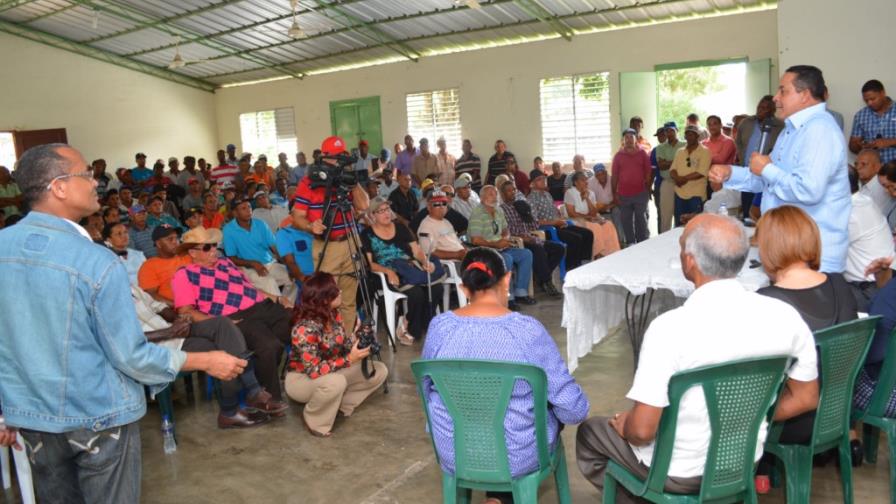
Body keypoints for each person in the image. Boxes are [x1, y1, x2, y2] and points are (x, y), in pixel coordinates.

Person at [0, 144, 245, 503]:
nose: (95, 181)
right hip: (98, 415)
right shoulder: (95, 261)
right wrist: (205, 360)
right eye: (86, 174)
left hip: (35, 417)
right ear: (59, 187)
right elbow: (130, 356)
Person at [576, 214, 819, 502]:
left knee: (591, 434)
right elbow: (805, 398)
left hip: (677, 473)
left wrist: (625, 424)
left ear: (689, 262)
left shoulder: (669, 328)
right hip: (742, 464)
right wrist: (743, 419)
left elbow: (642, 431)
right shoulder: (785, 316)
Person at [421, 247, 589, 500]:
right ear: (507, 279)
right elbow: (573, 409)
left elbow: (425, 389)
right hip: (516, 456)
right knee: (546, 409)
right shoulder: (526, 331)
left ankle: (496, 498)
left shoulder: (439, 328)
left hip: (455, 450)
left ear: (464, 287)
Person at [710, 65, 851, 273]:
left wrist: (767, 168)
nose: (776, 98)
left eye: (783, 91)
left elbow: (808, 190)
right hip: (788, 252)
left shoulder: (820, 130)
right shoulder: (792, 130)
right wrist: (730, 173)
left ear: (804, 95)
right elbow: (765, 179)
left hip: (814, 259)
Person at [753, 205, 858, 480]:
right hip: (839, 410)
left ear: (769, 247)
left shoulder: (766, 300)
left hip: (793, 419)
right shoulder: (840, 286)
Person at [173, 226, 293, 414]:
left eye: (213, 246)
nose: (214, 250)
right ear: (192, 253)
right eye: (206, 248)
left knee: (299, 324)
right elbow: (186, 312)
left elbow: (250, 289)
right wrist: (220, 323)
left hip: (262, 307)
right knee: (269, 346)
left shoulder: (226, 263)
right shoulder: (184, 274)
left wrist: (276, 297)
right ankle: (268, 397)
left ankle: (312, 377)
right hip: (234, 317)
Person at [131, 284, 279, 428]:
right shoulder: (110, 301)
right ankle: (232, 409)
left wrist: (177, 320)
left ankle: (252, 394)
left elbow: (158, 306)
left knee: (222, 323)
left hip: (173, 332)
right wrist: (169, 332)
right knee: (224, 349)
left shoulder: (131, 287)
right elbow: (126, 342)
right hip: (160, 347)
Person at [285, 272, 388, 437]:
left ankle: (340, 406)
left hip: (331, 370)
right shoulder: (304, 328)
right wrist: (350, 359)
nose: (340, 291)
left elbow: (341, 347)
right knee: (336, 382)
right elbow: (314, 370)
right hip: (301, 379)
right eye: (335, 290)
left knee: (379, 370)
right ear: (324, 299)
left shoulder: (333, 314)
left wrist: (357, 338)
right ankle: (315, 421)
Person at [292, 136, 370, 332]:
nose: (336, 162)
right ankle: (328, 343)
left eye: (340, 157)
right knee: (326, 300)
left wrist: (352, 181)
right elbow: (297, 217)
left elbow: (364, 205)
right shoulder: (309, 181)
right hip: (326, 246)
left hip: (350, 242)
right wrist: (310, 226)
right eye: (333, 158)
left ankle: (348, 340)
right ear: (323, 157)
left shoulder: (347, 179)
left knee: (349, 301)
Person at [361, 196, 444, 344]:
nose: (386, 213)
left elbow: (417, 251)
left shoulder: (400, 227)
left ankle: (412, 322)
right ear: (372, 215)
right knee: (417, 293)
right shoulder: (367, 234)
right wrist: (388, 271)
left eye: (387, 209)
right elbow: (370, 264)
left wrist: (425, 261)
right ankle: (411, 327)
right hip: (385, 273)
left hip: (409, 268)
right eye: (380, 211)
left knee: (436, 287)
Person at [468, 185, 536, 311]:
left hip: (501, 247)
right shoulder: (477, 213)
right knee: (507, 259)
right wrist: (496, 244)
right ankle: (507, 298)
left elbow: (506, 229)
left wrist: (505, 238)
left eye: (495, 194)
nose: (494, 197)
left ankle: (521, 292)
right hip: (485, 250)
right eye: (490, 194)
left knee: (526, 254)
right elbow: (475, 240)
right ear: (482, 198)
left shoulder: (498, 210)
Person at [499, 181, 563, 296]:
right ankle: (547, 282)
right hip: (517, 241)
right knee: (539, 250)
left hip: (531, 237)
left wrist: (527, 213)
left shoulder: (520, 205)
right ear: (503, 194)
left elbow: (534, 226)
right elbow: (507, 230)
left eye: (514, 189)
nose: (513, 192)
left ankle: (542, 277)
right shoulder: (502, 209)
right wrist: (522, 237)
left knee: (559, 248)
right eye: (509, 191)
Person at [223, 197, 294, 299]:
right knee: (269, 282)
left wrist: (288, 264)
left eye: (249, 207)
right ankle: (280, 310)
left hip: (269, 264)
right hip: (248, 268)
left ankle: (288, 305)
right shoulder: (229, 230)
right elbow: (232, 258)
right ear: (235, 213)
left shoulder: (260, 224)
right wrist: (252, 263)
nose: (248, 210)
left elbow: (274, 247)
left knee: (293, 276)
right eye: (243, 208)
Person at [844, 168, 894, 311]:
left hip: (867, 289)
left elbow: (818, 251)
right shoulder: (864, 201)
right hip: (879, 284)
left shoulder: (852, 212)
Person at [527, 169, 593, 269]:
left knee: (587, 233)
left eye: (544, 178)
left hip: (557, 225)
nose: (543, 180)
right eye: (539, 179)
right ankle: (571, 268)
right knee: (575, 239)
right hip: (546, 230)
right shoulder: (531, 199)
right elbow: (534, 222)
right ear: (532, 184)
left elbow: (556, 213)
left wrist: (561, 220)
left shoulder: (547, 195)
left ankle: (583, 264)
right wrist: (554, 222)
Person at [733, 95, 785, 219]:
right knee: (747, 208)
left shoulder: (780, 126)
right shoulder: (746, 123)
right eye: (760, 107)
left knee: (762, 211)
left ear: (773, 110)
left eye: (766, 108)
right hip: (747, 173)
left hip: (766, 176)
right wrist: (742, 157)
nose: (762, 110)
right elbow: (738, 141)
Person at [564, 172, 621, 259]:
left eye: (586, 179)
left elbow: (594, 213)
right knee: (596, 227)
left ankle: (611, 253)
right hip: (576, 220)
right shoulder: (570, 192)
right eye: (583, 180)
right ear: (576, 183)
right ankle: (598, 254)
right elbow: (571, 213)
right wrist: (588, 218)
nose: (586, 182)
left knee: (608, 224)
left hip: (590, 218)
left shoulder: (591, 193)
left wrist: (587, 198)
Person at [613, 128, 652, 244]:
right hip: (624, 194)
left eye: (631, 137)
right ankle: (630, 242)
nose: (629, 140)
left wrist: (648, 189)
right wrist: (614, 193)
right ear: (623, 140)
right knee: (626, 219)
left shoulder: (642, 153)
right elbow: (614, 176)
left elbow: (648, 173)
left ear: (636, 139)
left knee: (641, 219)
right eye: (626, 137)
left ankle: (643, 242)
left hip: (640, 193)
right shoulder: (618, 156)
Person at [137, 224, 192, 306]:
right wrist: (178, 305)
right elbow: (150, 296)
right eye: (170, 239)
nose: (175, 242)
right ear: (158, 244)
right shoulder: (149, 266)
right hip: (176, 310)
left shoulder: (187, 256)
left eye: (176, 238)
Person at [671, 125, 712, 226]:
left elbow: (701, 172)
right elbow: (672, 169)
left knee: (695, 226)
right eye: (687, 134)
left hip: (696, 195)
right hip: (679, 193)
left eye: (692, 134)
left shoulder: (705, 151)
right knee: (679, 225)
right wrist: (677, 178)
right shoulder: (680, 151)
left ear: (697, 136)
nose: (689, 137)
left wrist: (682, 179)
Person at [849, 79, 896, 164]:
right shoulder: (860, 115)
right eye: (866, 100)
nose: (869, 103)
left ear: (883, 93)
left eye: (873, 99)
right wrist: (859, 146)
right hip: (872, 172)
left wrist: (890, 142)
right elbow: (852, 145)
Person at [418, 191, 468, 262]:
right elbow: (428, 253)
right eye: (437, 204)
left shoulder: (446, 222)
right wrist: (457, 254)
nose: (441, 207)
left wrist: (466, 251)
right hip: (448, 265)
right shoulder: (426, 227)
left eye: (444, 203)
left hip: (462, 259)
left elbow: (457, 242)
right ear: (429, 207)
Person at [275, 214, 313, 300]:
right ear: (292, 217)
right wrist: (303, 279)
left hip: (323, 272)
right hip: (305, 276)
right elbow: (290, 262)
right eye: (301, 216)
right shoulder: (284, 234)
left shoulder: (313, 230)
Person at [655, 122, 684, 232]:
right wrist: (678, 161)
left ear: (677, 130)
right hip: (667, 182)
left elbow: (686, 164)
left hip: (683, 182)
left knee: (681, 213)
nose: (669, 133)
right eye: (667, 131)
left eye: (672, 130)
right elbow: (661, 166)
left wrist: (669, 162)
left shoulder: (684, 145)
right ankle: (664, 242)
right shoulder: (660, 147)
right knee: (666, 215)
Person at [854, 149, 893, 214]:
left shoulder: (882, 187)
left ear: (878, 167)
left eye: (863, 164)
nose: (858, 167)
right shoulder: (862, 184)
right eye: (856, 164)